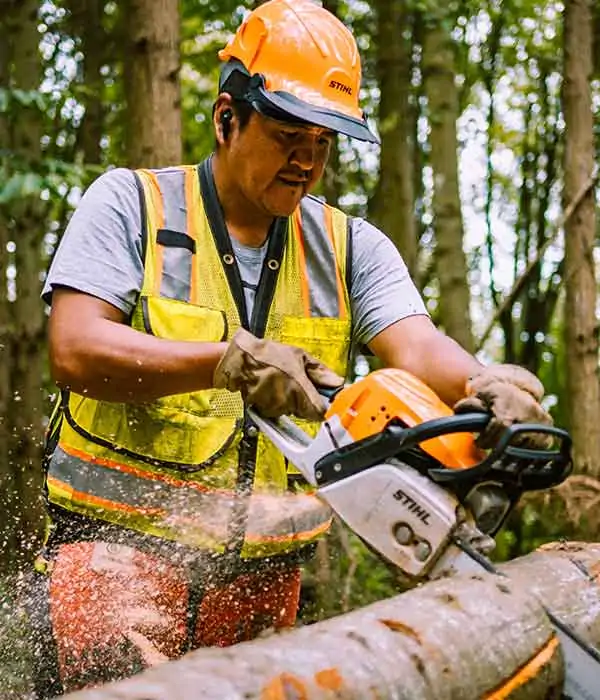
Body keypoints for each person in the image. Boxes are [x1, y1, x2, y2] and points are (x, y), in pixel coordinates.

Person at [29, 0, 552, 694]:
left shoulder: (348, 248)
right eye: (287, 136)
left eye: (324, 144)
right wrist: (222, 362)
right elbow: (74, 346)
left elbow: (418, 346)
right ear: (227, 119)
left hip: (264, 586)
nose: (306, 161)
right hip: (117, 568)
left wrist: (488, 385)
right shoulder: (132, 207)